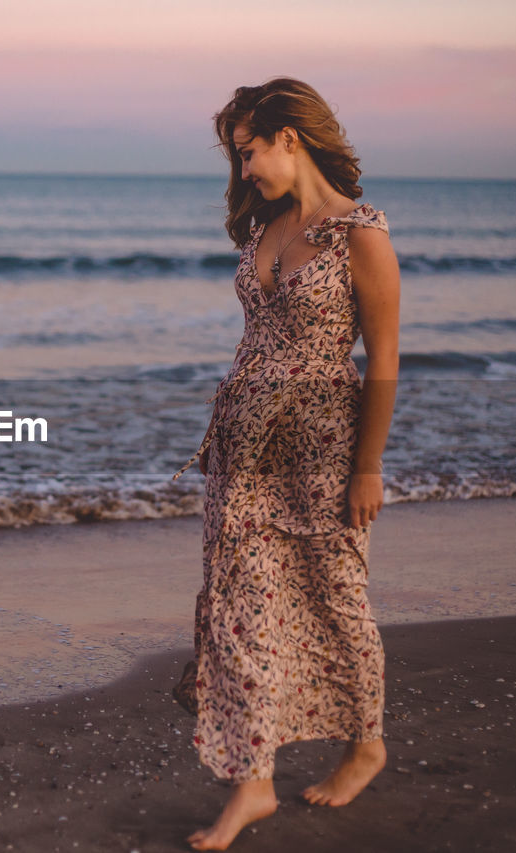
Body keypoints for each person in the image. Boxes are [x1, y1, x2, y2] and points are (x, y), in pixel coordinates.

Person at [170, 77, 401, 850]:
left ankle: (364, 742)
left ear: (290, 139)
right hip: (243, 444)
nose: (243, 172)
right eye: (237, 157)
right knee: (238, 607)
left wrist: (368, 467)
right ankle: (254, 781)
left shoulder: (359, 235)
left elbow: (385, 359)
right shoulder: (266, 228)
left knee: (334, 595)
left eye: (249, 153)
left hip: (323, 447)